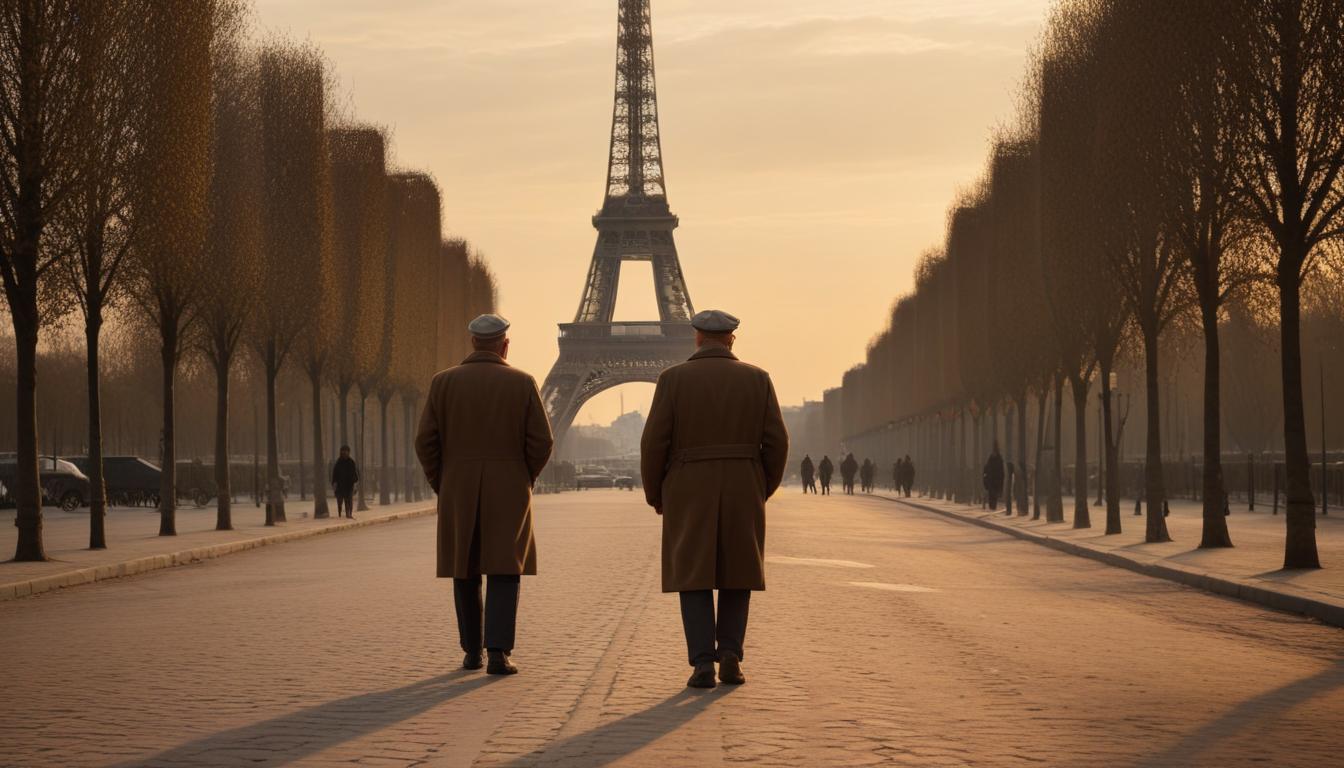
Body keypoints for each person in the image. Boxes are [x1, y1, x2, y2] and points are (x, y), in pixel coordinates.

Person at [641, 309, 788, 689]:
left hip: (688, 486)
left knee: (693, 576)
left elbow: (654, 442)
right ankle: (731, 657)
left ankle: (702, 662)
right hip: (743, 483)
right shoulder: (758, 379)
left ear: (697, 337)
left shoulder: (672, 379)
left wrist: (657, 493)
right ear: (731, 339)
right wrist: (761, 487)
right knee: (739, 575)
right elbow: (777, 443)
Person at [415, 314, 554, 676]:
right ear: (504, 345)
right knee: (506, 569)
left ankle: (470, 651)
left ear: (473, 342)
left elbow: (425, 442)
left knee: (464, 568)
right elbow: (542, 441)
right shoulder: (523, 383)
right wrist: (524, 476)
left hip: (458, 486)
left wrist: (442, 481)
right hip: (509, 486)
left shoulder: (442, 383)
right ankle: (498, 653)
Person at [331, 445, 360, 519]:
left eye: (346, 451)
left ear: (348, 452)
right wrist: (334, 483)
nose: (344, 453)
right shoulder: (338, 462)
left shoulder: (351, 462)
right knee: (339, 501)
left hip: (349, 485)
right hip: (340, 486)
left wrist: (355, 483)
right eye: (343, 451)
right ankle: (340, 514)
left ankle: (349, 514)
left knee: (349, 500)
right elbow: (335, 474)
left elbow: (354, 473)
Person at [983, 443, 1005, 512]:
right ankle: (992, 507)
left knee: (993, 495)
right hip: (992, 480)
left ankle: (993, 507)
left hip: (995, 480)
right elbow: (986, 470)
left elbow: (986, 470)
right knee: (992, 494)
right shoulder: (996, 459)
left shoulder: (996, 459)